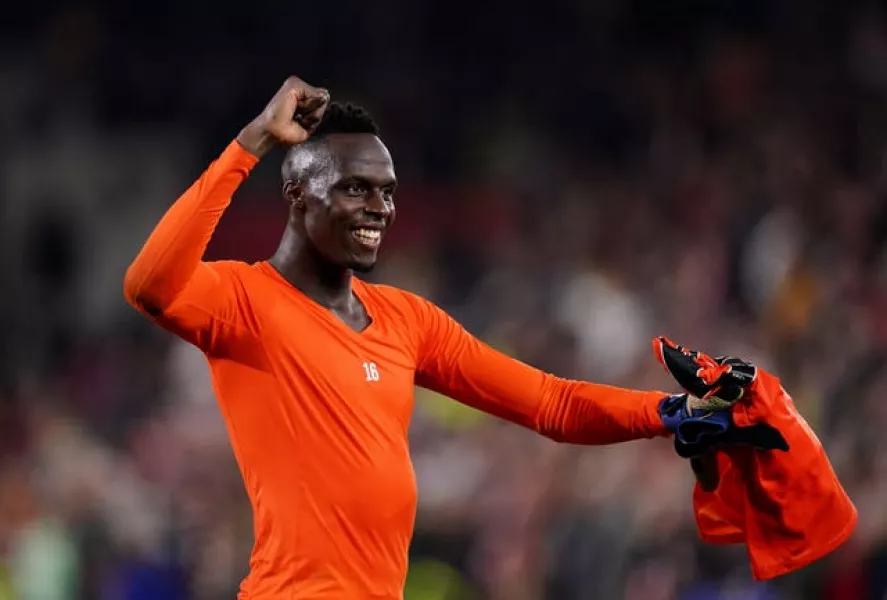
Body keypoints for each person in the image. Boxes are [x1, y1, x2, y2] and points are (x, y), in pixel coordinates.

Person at [123, 76, 680, 599]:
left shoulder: (407, 320)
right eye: (355, 189)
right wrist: (251, 143)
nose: (379, 209)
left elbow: (551, 404)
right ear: (297, 194)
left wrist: (669, 412)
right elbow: (150, 284)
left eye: (387, 192)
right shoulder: (243, 301)